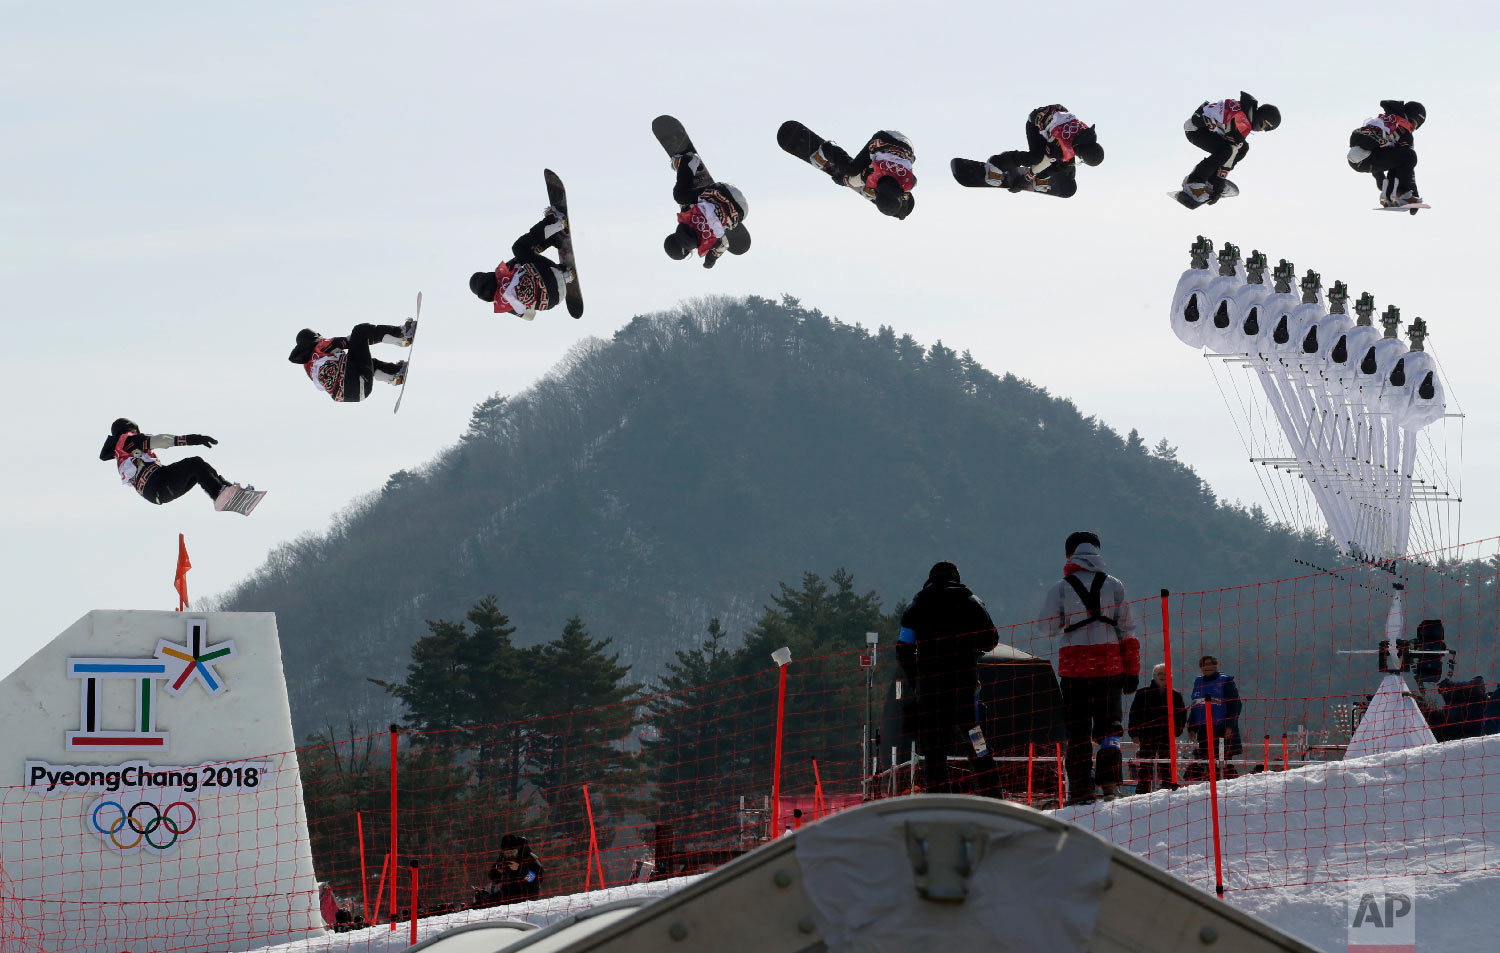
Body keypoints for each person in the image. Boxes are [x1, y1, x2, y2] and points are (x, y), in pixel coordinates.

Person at [1038, 532, 1140, 804]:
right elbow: (1128, 630)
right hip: (1110, 665)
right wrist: (1132, 670)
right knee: (1110, 729)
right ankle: (1109, 785)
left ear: (1069, 556)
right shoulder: (1114, 585)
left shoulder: (1061, 587)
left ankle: (1081, 790)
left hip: (1074, 669)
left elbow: (1046, 627)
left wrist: (1070, 619)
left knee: (1078, 731)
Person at [897, 561, 1001, 795]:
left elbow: (903, 647)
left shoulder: (917, 604)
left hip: (930, 693)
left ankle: (938, 801)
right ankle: (993, 797)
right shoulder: (971, 601)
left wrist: (917, 679)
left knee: (934, 751)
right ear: (956, 577)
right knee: (978, 744)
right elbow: (992, 639)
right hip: (964, 690)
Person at [97, 418, 255, 513]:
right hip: (157, 482)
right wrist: (193, 439)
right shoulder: (128, 439)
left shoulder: (120, 452)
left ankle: (225, 490)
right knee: (195, 463)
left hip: (157, 491)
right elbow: (162, 440)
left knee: (198, 468)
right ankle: (220, 493)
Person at [1176, 91, 1281, 208]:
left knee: (1242, 148)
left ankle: (1211, 180)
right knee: (1226, 151)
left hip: (1204, 127)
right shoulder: (1242, 122)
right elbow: (1230, 152)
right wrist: (1219, 185)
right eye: (1265, 126)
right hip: (1196, 130)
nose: (1262, 130)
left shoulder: (1244, 111)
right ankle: (1194, 181)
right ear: (1262, 118)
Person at [470, 208, 574, 317]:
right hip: (548, 274)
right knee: (519, 248)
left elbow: (530, 317)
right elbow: (524, 255)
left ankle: (567, 275)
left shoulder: (505, 305)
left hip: (554, 299)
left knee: (534, 285)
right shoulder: (503, 275)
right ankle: (556, 221)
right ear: (486, 276)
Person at [986, 104, 1104, 197]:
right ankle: (997, 162)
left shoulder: (1087, 135)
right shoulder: (1059, 146)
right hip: (1035, 124)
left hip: (1055, 119)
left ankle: (1042, 176)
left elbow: (1071, 149)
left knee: (1065, 162)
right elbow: (1043, 162)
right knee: (1036, 157)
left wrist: (1070, 168)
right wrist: (1023, 181)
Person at [287, 320, 413, 403]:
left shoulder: (310, 367)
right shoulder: (321, 346)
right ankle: (401, 334)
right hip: (355, 377)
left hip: (357, 394)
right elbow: (352, 340)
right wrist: (373, 336)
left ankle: (395, 375)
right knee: (360, 330)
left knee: (369, 363)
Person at [662, 153, 749, 268]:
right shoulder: (685, 217)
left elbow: (724, 245)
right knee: (680, 196)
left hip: (742, 212)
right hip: (726, 191)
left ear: (689, 251)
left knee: (720, 225)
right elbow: (684, 201)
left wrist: (711, 260)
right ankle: (688, 161)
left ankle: (725, 220)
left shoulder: (709, 243)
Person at [809, 130, 916, 218]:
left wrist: (902, 208)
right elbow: (852, 179)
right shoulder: (874, 172)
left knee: (867, 173)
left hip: (905, 145)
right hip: (884, 138)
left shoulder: (909, 183)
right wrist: (842, 180)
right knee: (851, 170)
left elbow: (906, 196)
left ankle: (869, 188)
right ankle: (826, 149)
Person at [1348, 100, 1426, 209]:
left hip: (1355, 160)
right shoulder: (1403, 128)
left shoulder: (1387, 119)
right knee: (1409, 156)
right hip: (1367, 157)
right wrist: (1413, 193)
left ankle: (1388, 195)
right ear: (1411, 116)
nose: (1414, 126)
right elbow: (1408, 165)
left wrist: (1380, 180)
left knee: (1398, 158)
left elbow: (1377, 146)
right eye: (1417, 122)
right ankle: (1403, 195)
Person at [1128, 663, 1186, 795]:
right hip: (1146, 734)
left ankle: (1167, 788)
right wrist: (1133, 733)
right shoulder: (1142, 693)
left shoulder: (1176, 695)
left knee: (1166, 763)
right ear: (1154, 676)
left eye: (1165, 674)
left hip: (1167, 735)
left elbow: (1182, 715)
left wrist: (1177, 730)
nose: (1163, 676)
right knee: (1145, 764)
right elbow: (1134, 714)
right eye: (1160, 674)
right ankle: (1143, 790)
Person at [1186, 655, 1242, 773]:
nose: (1208, 667)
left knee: (1223, 761)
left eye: (1210, 664)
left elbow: (1235, 705)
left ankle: (1225, 784)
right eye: (1205, 665)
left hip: (1222, 728)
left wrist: (1230, 725)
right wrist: (1192, 727)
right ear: (1201, 667)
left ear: (1216, 666)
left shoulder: (1226, 681)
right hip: (1203, 729)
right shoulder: (1198, 682)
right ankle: (1209, 783)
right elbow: (1195, 706)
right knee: (1206, 760)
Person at [483, 833, 543, 905]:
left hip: (527, 893)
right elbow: (493, 877)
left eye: (512, 852)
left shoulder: (530, 858)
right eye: (507, 853)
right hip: (508, 891)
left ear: (518, 849)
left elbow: (535, 880)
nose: (510, 855)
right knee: (486, 902)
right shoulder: (503, 858)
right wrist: (498, 872)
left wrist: (519, 869)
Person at [1430, 677, 1489, 741]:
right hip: (1443, 728)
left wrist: (1449, 685)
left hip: (1443, 728)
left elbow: (1476, 686)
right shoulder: (1480, 696)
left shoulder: (1480, 696)